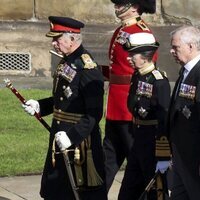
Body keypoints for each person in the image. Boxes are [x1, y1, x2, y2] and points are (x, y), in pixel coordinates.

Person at [22, 16, 107, 200]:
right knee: (56, 190)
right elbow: (62, 99)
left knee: (83, 192)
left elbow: (94, 113)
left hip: (80, 143)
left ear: (72, 39)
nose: (53, 43)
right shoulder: (66, 61)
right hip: (60, 136)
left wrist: (72, 136)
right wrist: (40, 106)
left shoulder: (87, 68)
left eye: (57, 39)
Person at [102, 0, 157, 192]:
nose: (117, 6)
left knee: (136, 161)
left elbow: (146, 70)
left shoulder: (141, 32)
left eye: (122, 3)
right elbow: (115, 67)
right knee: (108, 159)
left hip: (128, 105)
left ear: (135, 7)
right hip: (116, 104)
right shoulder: (122, 30)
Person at [117, 32, 171, 200]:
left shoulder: (159, 81)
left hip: (153, 144)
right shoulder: (137, 75)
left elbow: (164, 119)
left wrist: (163, 156)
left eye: (133, 54)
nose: (129, 58)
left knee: (155, 192)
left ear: (146, 56)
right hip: (138, 140)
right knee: (128, 191)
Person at [168, 25, 200, 200]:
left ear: (191, 46)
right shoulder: (186, 71)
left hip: (194, 157)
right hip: (182, 155)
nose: (172, 51)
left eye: (175, 47)